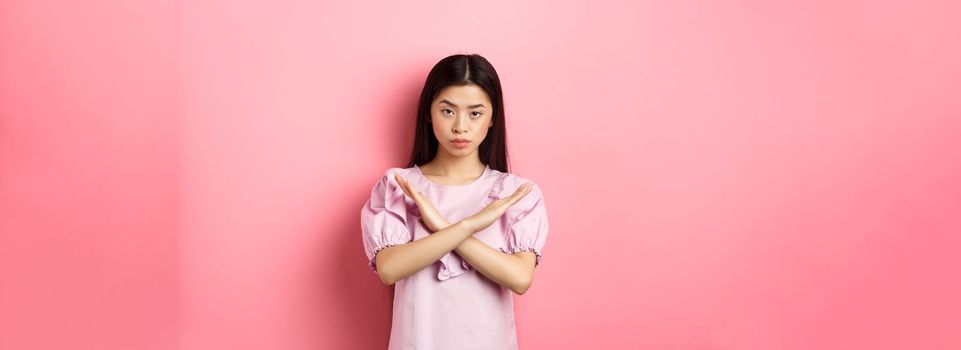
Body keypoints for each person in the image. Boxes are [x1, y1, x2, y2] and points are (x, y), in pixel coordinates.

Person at [360, 53, 550, 350]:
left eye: (475, 113)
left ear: (492, 119)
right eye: (448, 111)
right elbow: (389, 268)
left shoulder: (516, 193)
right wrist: (469, 225)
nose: (460, 126)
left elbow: (520, 278)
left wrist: (441, 226)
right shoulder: (400, 186)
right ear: (429, 113)